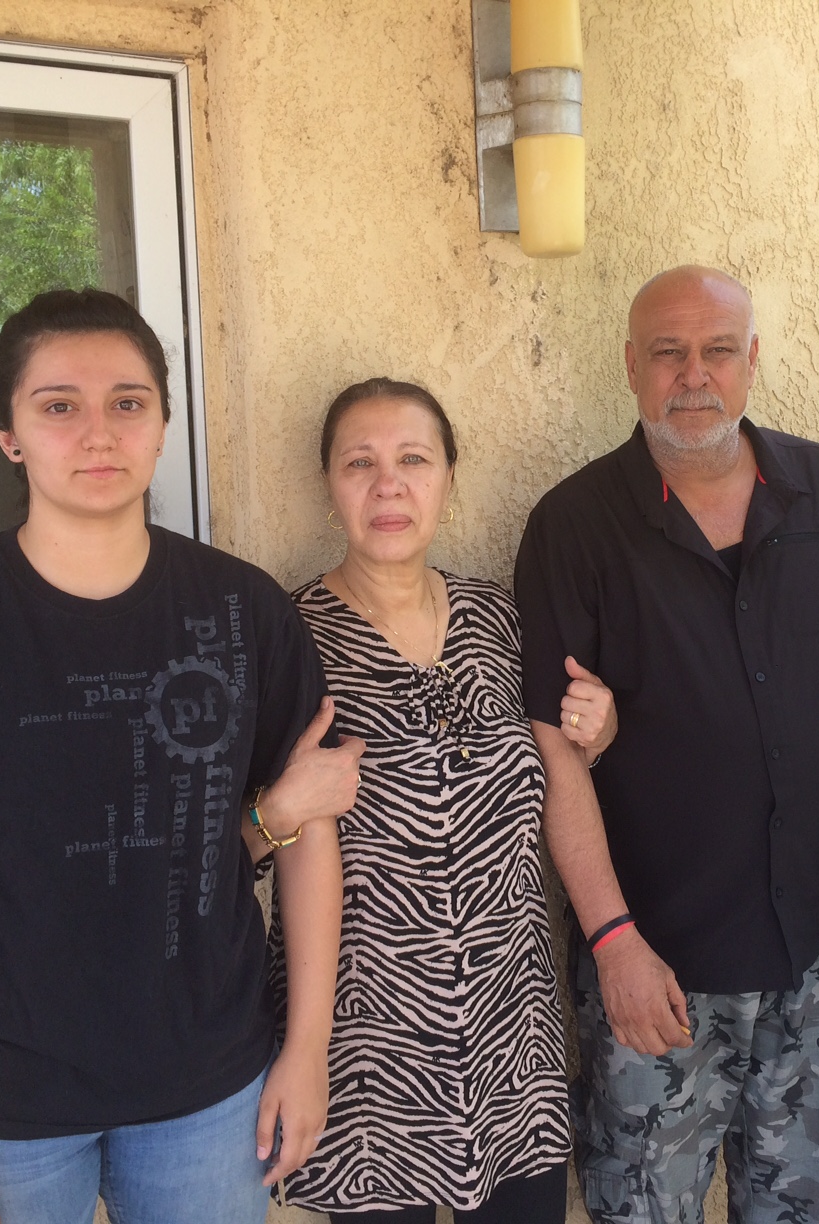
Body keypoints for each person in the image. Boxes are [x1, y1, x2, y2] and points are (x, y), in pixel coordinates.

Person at [0, 289, 359, 1224]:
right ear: (9, 437)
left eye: (128, 402)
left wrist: (306, 1049)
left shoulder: (244, 612)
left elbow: (310, 836)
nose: (99, 432)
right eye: (59, 405)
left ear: (160, 428)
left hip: (208, 1089)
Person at [514, 266, 819, 1224]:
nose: (694, 375)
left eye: (718, 349)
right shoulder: (574, 524)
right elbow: (555, 749)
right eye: (668, 353)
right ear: (632, 368)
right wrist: (610, 939)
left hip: (813, 948)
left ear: (753, 360)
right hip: (658, 962)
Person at [272, 377, 617, 1224]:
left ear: (449, 480)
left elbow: (555, 773)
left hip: (514, 1043)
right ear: (329, 484)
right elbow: (239, 837)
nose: (388, 484)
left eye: (413, 460)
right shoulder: (289, 636)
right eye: (361, 462)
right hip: (365, 1059)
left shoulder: (503, 620)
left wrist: (595, 733)